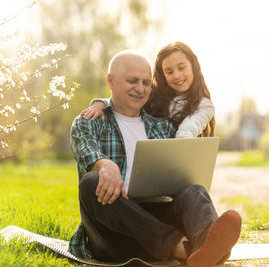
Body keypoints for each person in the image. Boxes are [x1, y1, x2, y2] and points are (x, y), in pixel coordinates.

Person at [69, 49, 241, 266]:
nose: (140, 89)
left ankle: (204, 248)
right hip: (116, 234)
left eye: (146, 83)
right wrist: (103, 164)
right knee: (91, 182)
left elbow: (179, 183)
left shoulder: (162, 127)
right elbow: (85, 147)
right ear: (111, 82)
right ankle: (182, 248)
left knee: (194, 190)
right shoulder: (91, 120)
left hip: (157, 221)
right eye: (132, 81)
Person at [81, 42, 215, 138]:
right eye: (169, 71)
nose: (177, 76)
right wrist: (101, 104)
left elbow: (191, 125)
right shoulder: (154, 96)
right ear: (162, 75)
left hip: (183, 156)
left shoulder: (204, 105)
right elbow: (124, 99)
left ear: (194, 67)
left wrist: (183, 138)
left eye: (181, 68)